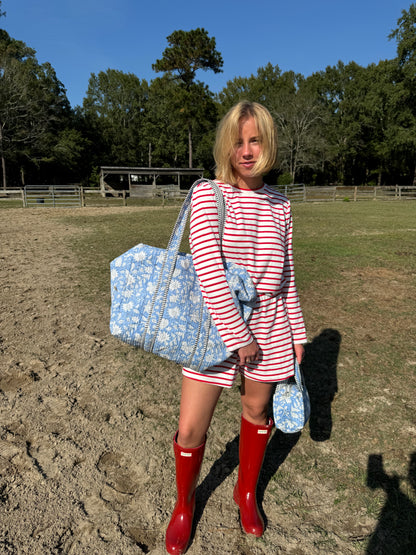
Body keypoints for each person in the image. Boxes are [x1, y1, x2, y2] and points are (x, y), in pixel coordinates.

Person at [165, 101, 307, 554]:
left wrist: (298, 332)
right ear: (227, 146)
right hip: (215, 324)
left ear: (268, 146)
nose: (246, 151)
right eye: (238, 141)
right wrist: (237, 336)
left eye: (255, 140)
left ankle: (245, 493)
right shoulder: (209, 194)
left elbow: (286, 274)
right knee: (190, 429)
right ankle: (184, 504)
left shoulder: (281, 204)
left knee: (256, 411)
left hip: (271, 324)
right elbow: (206, 267)